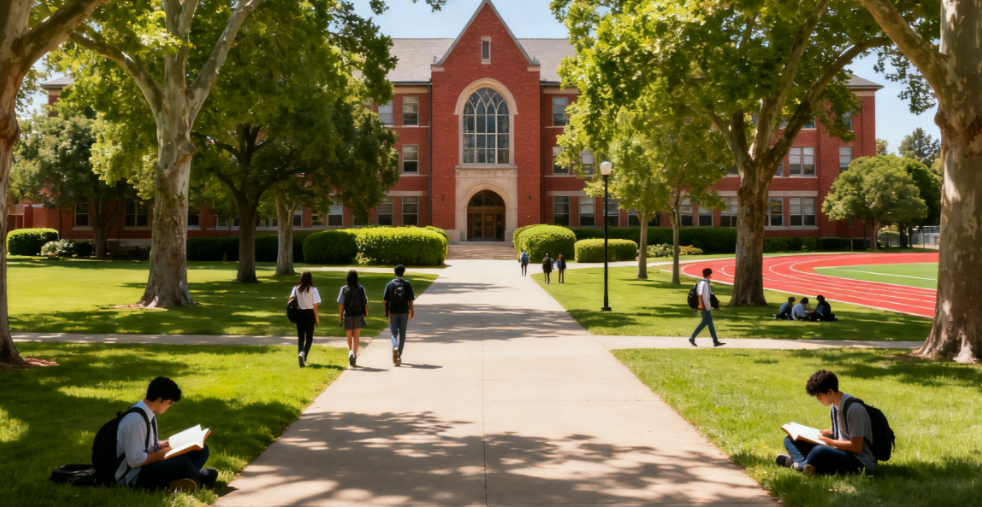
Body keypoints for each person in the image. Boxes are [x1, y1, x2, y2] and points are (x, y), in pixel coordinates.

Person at [116, 377, 217, 493]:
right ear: (160, 399)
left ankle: (182, 481)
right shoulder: (135, 420)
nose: (169, 406)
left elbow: (143, 443)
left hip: (146, 466)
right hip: (135, 475)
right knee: (183, 462)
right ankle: (197, 480)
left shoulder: (147, 413)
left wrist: (162, 444)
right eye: (169, 402)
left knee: (202, 450)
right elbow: (134, 460)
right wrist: (163, 453)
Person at [776, 370, 877, 476]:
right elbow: (839, 433)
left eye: (819, 395)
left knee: (819, 451)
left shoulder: (854, 409)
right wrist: (820, 434)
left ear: (830, 391)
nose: (818, 399)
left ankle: (799, 464)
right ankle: (804, 465)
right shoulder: (835, 406)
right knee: (790, 439)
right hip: (843, 452)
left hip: (860, 461)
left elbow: (856, 446)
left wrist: (830, 443)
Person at [383, 264, 415, 367]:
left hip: (393, 311)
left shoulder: (390, 284)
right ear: (403, 272)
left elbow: (384, 300)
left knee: (393, 332)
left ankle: (395, 347)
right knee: (402, 333)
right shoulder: (407, 284)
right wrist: (412, 311)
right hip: (404, 311)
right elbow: (410, 299)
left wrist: (387, 310)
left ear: (394, 272)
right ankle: (399, 355)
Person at [288, 270, 320, 367]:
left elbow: (290, 300)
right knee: (309, 338)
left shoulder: (297, 289)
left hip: (300, 314)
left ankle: (300, 354)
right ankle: (304, 355)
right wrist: (317, 318)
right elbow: (315, 306)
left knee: (301, 337)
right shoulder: (313, 290)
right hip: (309, 314)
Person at [338, 270, 368, 367]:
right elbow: (364, 302)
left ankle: (350, 352)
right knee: (356, 337)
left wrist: (340, 317)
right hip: (358, 314)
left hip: (348, 314)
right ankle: (354, 356)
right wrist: (365, 312)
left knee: (349, 336)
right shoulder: (360, 288)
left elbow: (341, 304)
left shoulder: (344, 289)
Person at [689, 268, 725, 347]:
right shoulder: (703, 283)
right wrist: (701, 304)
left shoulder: (706, 283)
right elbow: (700, 294)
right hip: (704, 306)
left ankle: (715, 341)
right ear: (709, 275)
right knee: (705, 322)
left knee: (708, 323)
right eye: (710, 275)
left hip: (706, 305)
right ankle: (692, 337)